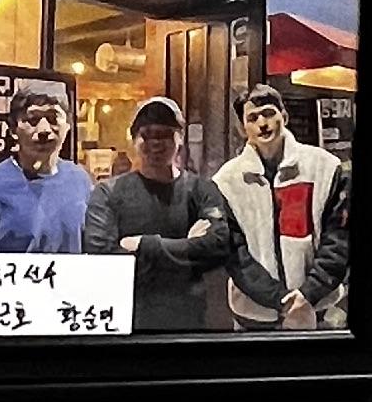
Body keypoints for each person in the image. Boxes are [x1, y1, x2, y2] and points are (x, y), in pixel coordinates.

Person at [84, 96, 263, 334]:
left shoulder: (201, 190)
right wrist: (188, 248)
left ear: (180, 138)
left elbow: (218, 246)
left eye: (165, 134)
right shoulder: (108, 193)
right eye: (147, 134)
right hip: (127, 325)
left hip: (189, 325)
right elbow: (103, 260)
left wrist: (144, 246)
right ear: (134, 140)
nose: (156, 143)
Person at [211, 81, 350, 328]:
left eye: (268, 114)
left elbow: (338, 241)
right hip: (254, 317)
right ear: (242, 128)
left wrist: (308, 294)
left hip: (319, 310)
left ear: (284, 116)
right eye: (252, 118)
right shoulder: (226, 181)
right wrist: (281, 299)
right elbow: (235, 255)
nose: (262, 124)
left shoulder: (325, 167)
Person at [0, 88, 94, 252]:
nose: (44, 130)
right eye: (32, 120)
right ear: (13, 129)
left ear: (68, 125)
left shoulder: (80, 179)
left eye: (53, 118)